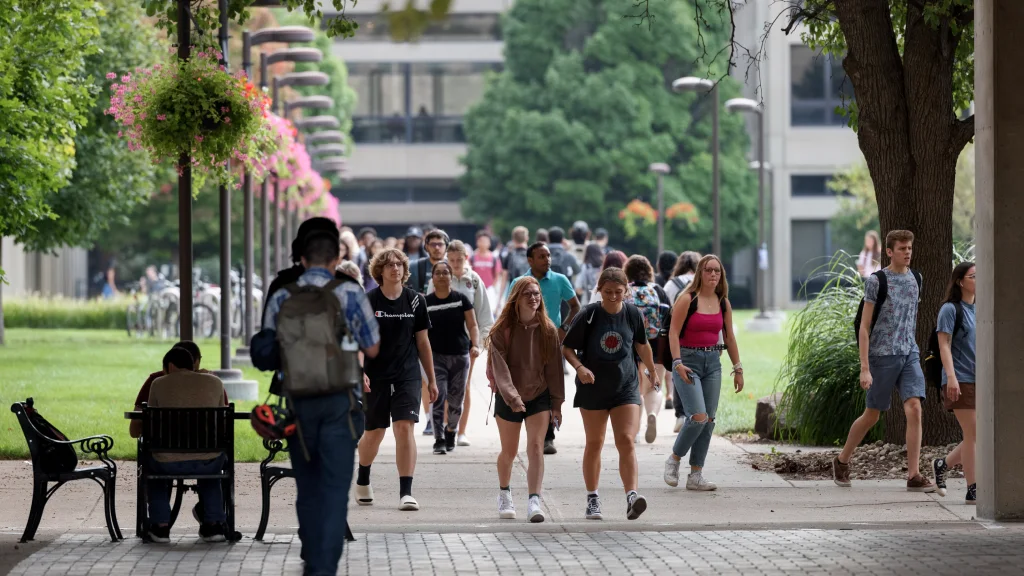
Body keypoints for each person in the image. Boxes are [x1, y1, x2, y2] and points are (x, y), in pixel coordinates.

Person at [261, 230, 380, 574]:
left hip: (298, 404)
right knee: (334, 487)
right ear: (334, 261)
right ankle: (323, 566)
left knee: (308, 484)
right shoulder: (348, 292)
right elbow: (371, 346)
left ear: (301, 260)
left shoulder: (283, 294)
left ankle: (312, 554)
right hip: (339, 403)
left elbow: (265, 350)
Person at [833, 230, 935, 492]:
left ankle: (913, 474)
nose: (907, 252)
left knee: (914, 408)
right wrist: (864, 367)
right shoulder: (877, 281)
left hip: (909, 353)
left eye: (910, 247)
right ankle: (842, 460)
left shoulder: (916, 279)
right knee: (872, 415)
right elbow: (864, 327)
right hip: (881, 355)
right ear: (889, 251)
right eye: (902, 248)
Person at [562, 268, 657, 521]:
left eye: (618, 292)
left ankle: (632, 496)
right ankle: (592, 498)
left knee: (626, 439)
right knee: (595, 442)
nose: (613, 297)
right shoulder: (590, 314)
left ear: (626, 290)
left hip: (625, 385)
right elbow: (567, 347)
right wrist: (579, 368)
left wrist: (651, 370)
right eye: (607, 292)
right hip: (593, 387)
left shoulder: (633, 313)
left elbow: (641, 344)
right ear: (599, 290)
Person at [358, 248, 438, 511]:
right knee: (375, 432)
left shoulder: (416, 301)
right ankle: (363, 475)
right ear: (379, 271)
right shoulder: (368, 301)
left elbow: (424, 344)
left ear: (405, 270)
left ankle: (406, 491)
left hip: (407, 375)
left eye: (399, 264)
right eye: (389, 265)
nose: (395, 268)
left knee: (404, 427)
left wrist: (432, 380)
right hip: (376, 375)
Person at [663, 254, 744, 492]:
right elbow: (673, 333)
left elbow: (729, 337)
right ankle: (674, 460)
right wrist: (677, 363)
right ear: (700, 273)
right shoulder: (687, 298)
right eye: (708, 270)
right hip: (687, 362)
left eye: (717, 271)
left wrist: (737, 368)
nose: (713, 275)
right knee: (697, 416)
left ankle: (696, 474)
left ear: (721, 275)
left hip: (713, 362)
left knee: (708, 420)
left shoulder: (723, 302)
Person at [488, 277, 564, 522]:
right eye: (528, 294)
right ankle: (504, 493)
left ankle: (534, 501)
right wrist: (513, 397)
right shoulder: (502, 331)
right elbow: (500, 369)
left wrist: (557, 404)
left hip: (538, 394)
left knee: (535, 448)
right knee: (509, 452)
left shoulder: (548, 330)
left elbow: (554, 370)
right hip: (508, 397)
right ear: (516, 298)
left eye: (536, 294)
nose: (533, 298)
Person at [144, 347, 229, 543]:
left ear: (171, 365)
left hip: (166, 461)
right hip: (209, 461)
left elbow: (151, 424)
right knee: (210, 470)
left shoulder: (158, 384)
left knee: (152, 468)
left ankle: (160, 526)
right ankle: (214, 524)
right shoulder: (215, 383)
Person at [506, 242, 580, 455]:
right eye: (541, 256)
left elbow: (575, 306)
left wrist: (564, 329)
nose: (547, 259)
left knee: (549, 384)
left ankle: (548, 435)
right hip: (524, 341)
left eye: (548, 256)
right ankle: (528, 427)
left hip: (551, 341)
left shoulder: (560, 279)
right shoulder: (519, 283)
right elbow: (509, 310)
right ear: (530, 260)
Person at [428, 240, 494, 447]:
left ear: (466, 258)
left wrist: (480, 343)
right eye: (452, 260)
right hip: (439, 344)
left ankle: (460, 431)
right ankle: (444, 427)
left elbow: (483, 314)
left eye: (459, 260)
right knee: (441, 389)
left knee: (462, 388)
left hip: (464, 345)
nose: (455, 264)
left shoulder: (473, 280)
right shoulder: (439, 276)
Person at [932, 262, 977, 504]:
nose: (979, 279)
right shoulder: (950, 309)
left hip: (983, 380)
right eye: (973, 276)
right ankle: (973, 488)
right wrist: (951, 377)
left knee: (977, 435)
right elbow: (944, 345)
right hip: (960, 379)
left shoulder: (982, 308)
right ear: (961, 281)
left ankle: (943, 464)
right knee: (974, 435)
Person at [425, 261, 480, 454]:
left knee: (457, 399)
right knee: (438, 395)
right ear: (432, 278)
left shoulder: (461, 299)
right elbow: (420, 332)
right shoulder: (426, 302)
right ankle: (439, 438)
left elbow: (473, 325)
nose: (441, 276)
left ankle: (451, 431)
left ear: (451, 276)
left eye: (445, 272)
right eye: (437, 273)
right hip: (436, 356)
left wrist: (476, 344)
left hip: (460, 355)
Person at [130, 341, 222, 439]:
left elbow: (134, 430)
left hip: (164, 451)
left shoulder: (156, 381)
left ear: (170, 365)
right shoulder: (214, 382)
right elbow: (223, 423)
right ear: (196, 362)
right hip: (208, 451)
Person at [624, 255, 671, 444]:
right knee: (654, 387)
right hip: (656, 344)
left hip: (631, 345)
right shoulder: (658, 291)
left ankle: (634, 431)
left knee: (634, 390)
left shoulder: (626, 291)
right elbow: (669, 317)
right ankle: (652, 414)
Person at [663, 250, 701, 424]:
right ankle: (697, 413)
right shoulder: (702, 282)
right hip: (700, 335)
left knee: (679, 371)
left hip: (678, 335)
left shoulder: (671, 284)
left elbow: (665, 309)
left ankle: (681, 415)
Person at [471, 230, 503, 316]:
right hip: (475, 289)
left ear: (489, 243)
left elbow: (497, 275)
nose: (483, 243)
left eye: (486, 241)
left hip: (489, 289)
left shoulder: (494, 258)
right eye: (481, 241)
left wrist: (492, 287)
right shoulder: (472, 257)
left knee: (490, 313)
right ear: (477, 242)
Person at [407, 228, 449, 295]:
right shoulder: (414, 267)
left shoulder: (453, 266)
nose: (437, 248)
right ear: (426, 247)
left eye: (440, 244)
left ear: (446, 247)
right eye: (433, 244)